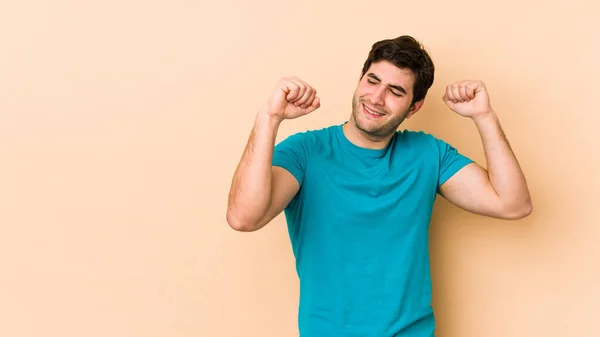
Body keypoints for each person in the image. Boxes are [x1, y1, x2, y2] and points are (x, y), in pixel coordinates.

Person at [226, 35, 532, 337]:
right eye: (372, 81)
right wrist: (269, 118)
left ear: (414, 107)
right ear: (360, 79)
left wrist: (484, 116)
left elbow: (512, 204)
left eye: (396, 91)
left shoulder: (428, 153)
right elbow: (243, 217)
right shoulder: (306, 152)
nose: (376, 98)